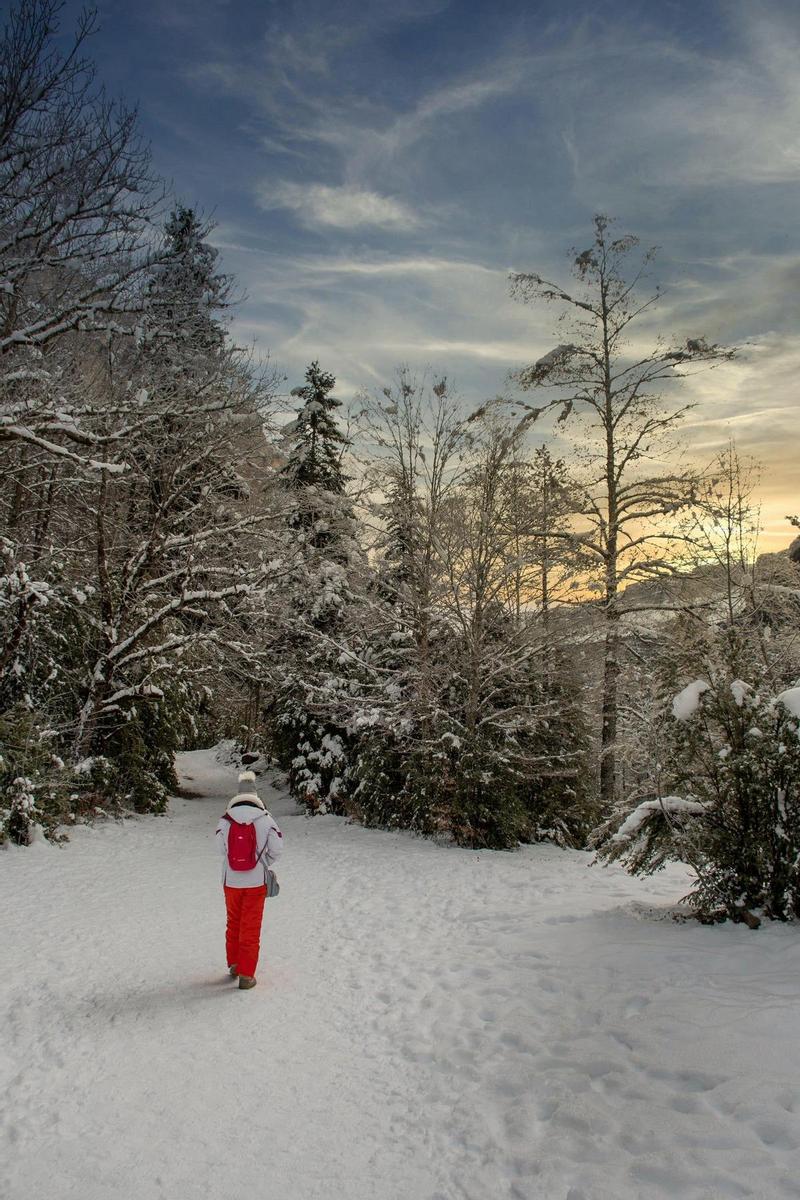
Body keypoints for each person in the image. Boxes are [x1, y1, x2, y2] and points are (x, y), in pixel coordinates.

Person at [215, 770, 283, 990]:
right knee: (251, 927)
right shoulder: (266, 819)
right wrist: (262, 863)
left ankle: (234, 964)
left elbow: (218, 849)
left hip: (231, 882)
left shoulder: (225, 820)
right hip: (256, 883)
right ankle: (246, 975)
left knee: (233, 922)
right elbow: (276, 850)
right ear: (256, 796)